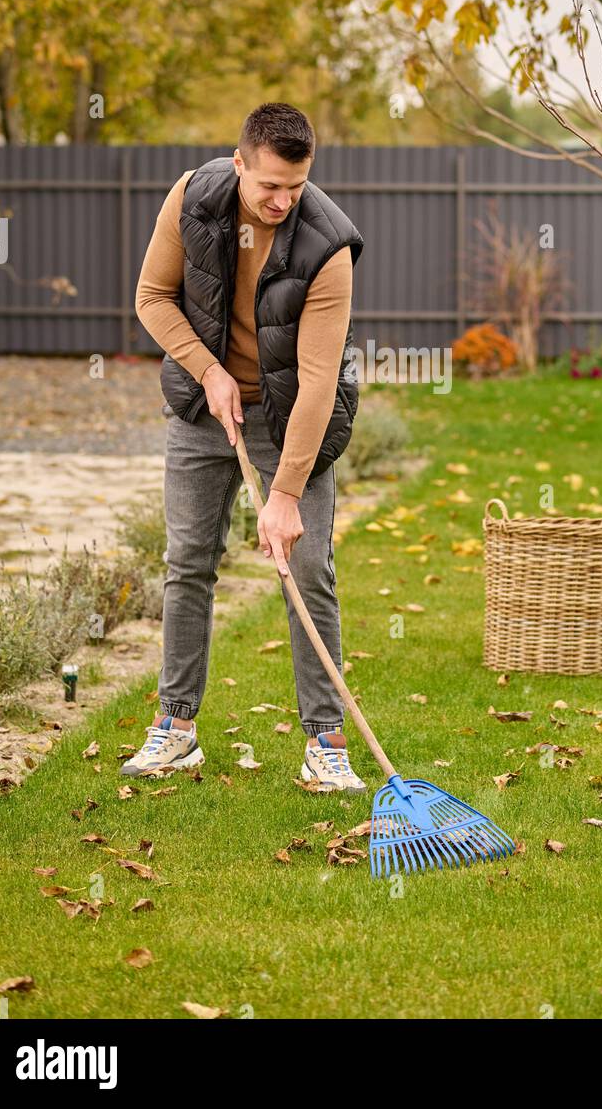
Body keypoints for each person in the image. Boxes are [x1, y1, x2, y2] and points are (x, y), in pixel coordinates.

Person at [124, 101, 366, 792]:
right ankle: (176, 730)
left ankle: (326, 744)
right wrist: (210, 372)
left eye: (296, 186)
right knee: (188, 560)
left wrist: (285, 493)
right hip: (204, 406)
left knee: (309, 568)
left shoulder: (327, 248)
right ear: (239, 164)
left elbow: (319, 380)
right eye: (269, 186)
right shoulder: (192, 198)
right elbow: (152, 297)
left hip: (292, 415)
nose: (283, 201)